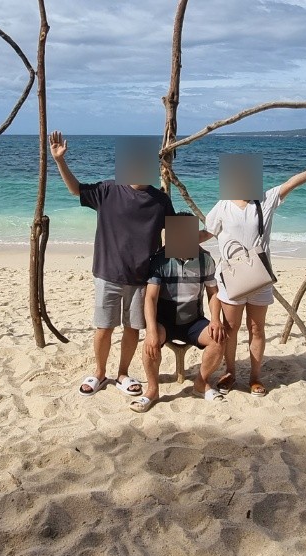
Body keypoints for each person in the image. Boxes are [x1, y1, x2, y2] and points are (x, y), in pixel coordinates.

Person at [50, 132, 173, 397]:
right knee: (104, 327)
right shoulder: (108, 190)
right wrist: (60, 161)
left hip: (142, 277)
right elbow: (75, 189)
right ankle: (99, 373)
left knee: (132, 328)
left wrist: (217, 230)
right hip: (108, 273)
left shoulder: (160, 199)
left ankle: (123, 374)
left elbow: (175, 238)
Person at [205, 151, 306, 395]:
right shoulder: (222, 205)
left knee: (257, 329)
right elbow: (207, 233)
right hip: (231, 278)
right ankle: (231, 372)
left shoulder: (265, 200)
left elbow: (292, 182)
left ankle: (255, 377)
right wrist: (177, 239)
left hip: (258, 277)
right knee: (230, 329)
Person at [133, 214, 228, 412]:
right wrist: (151, 329)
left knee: (218, 340)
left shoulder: (205, 260)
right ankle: (152, 389)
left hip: (193, 322)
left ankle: (201, 383)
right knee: (150, 342)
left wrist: (216, 319)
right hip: (165, 323)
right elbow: (150, 298)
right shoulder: (159, 260)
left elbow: (213, 294)